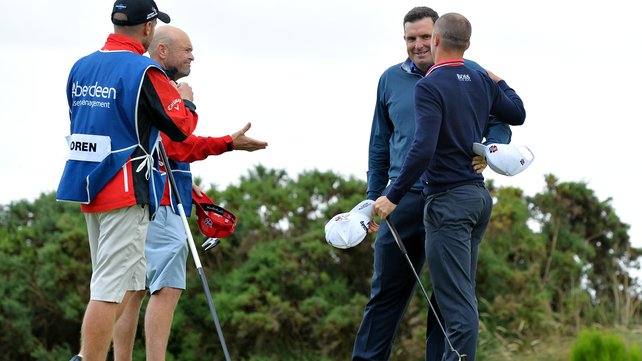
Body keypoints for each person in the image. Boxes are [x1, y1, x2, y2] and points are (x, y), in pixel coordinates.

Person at [352, 6, 513, 361]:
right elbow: (380, 142)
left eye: (425, 37)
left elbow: (504, 121)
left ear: (438, 36)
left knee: (448, 298)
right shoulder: (389, 80)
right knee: (385, 296)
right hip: (402, 200)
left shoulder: (469, 74)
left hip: (449, 196)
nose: (419, 45)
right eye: (411, 39)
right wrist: (373, 198)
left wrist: (489, 150)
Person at [111, 25, 268, 361]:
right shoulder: (162, 87)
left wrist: (186, 182)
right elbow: (178, 143)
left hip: (140, 196)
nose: (193, 55)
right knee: (166, 288)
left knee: (132, 288)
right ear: (163, 51)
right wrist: (198, 114)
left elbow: (160, 150)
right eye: (187, 49)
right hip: (160, 202)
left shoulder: (138, 83)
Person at [57, 1, 201, 360]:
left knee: (130, 284)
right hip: (125, 191)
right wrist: (188, 104)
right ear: (148, 28)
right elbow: (180, 129)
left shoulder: (81, 66)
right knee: (108, 290)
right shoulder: (145, 70)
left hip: (88, 186)